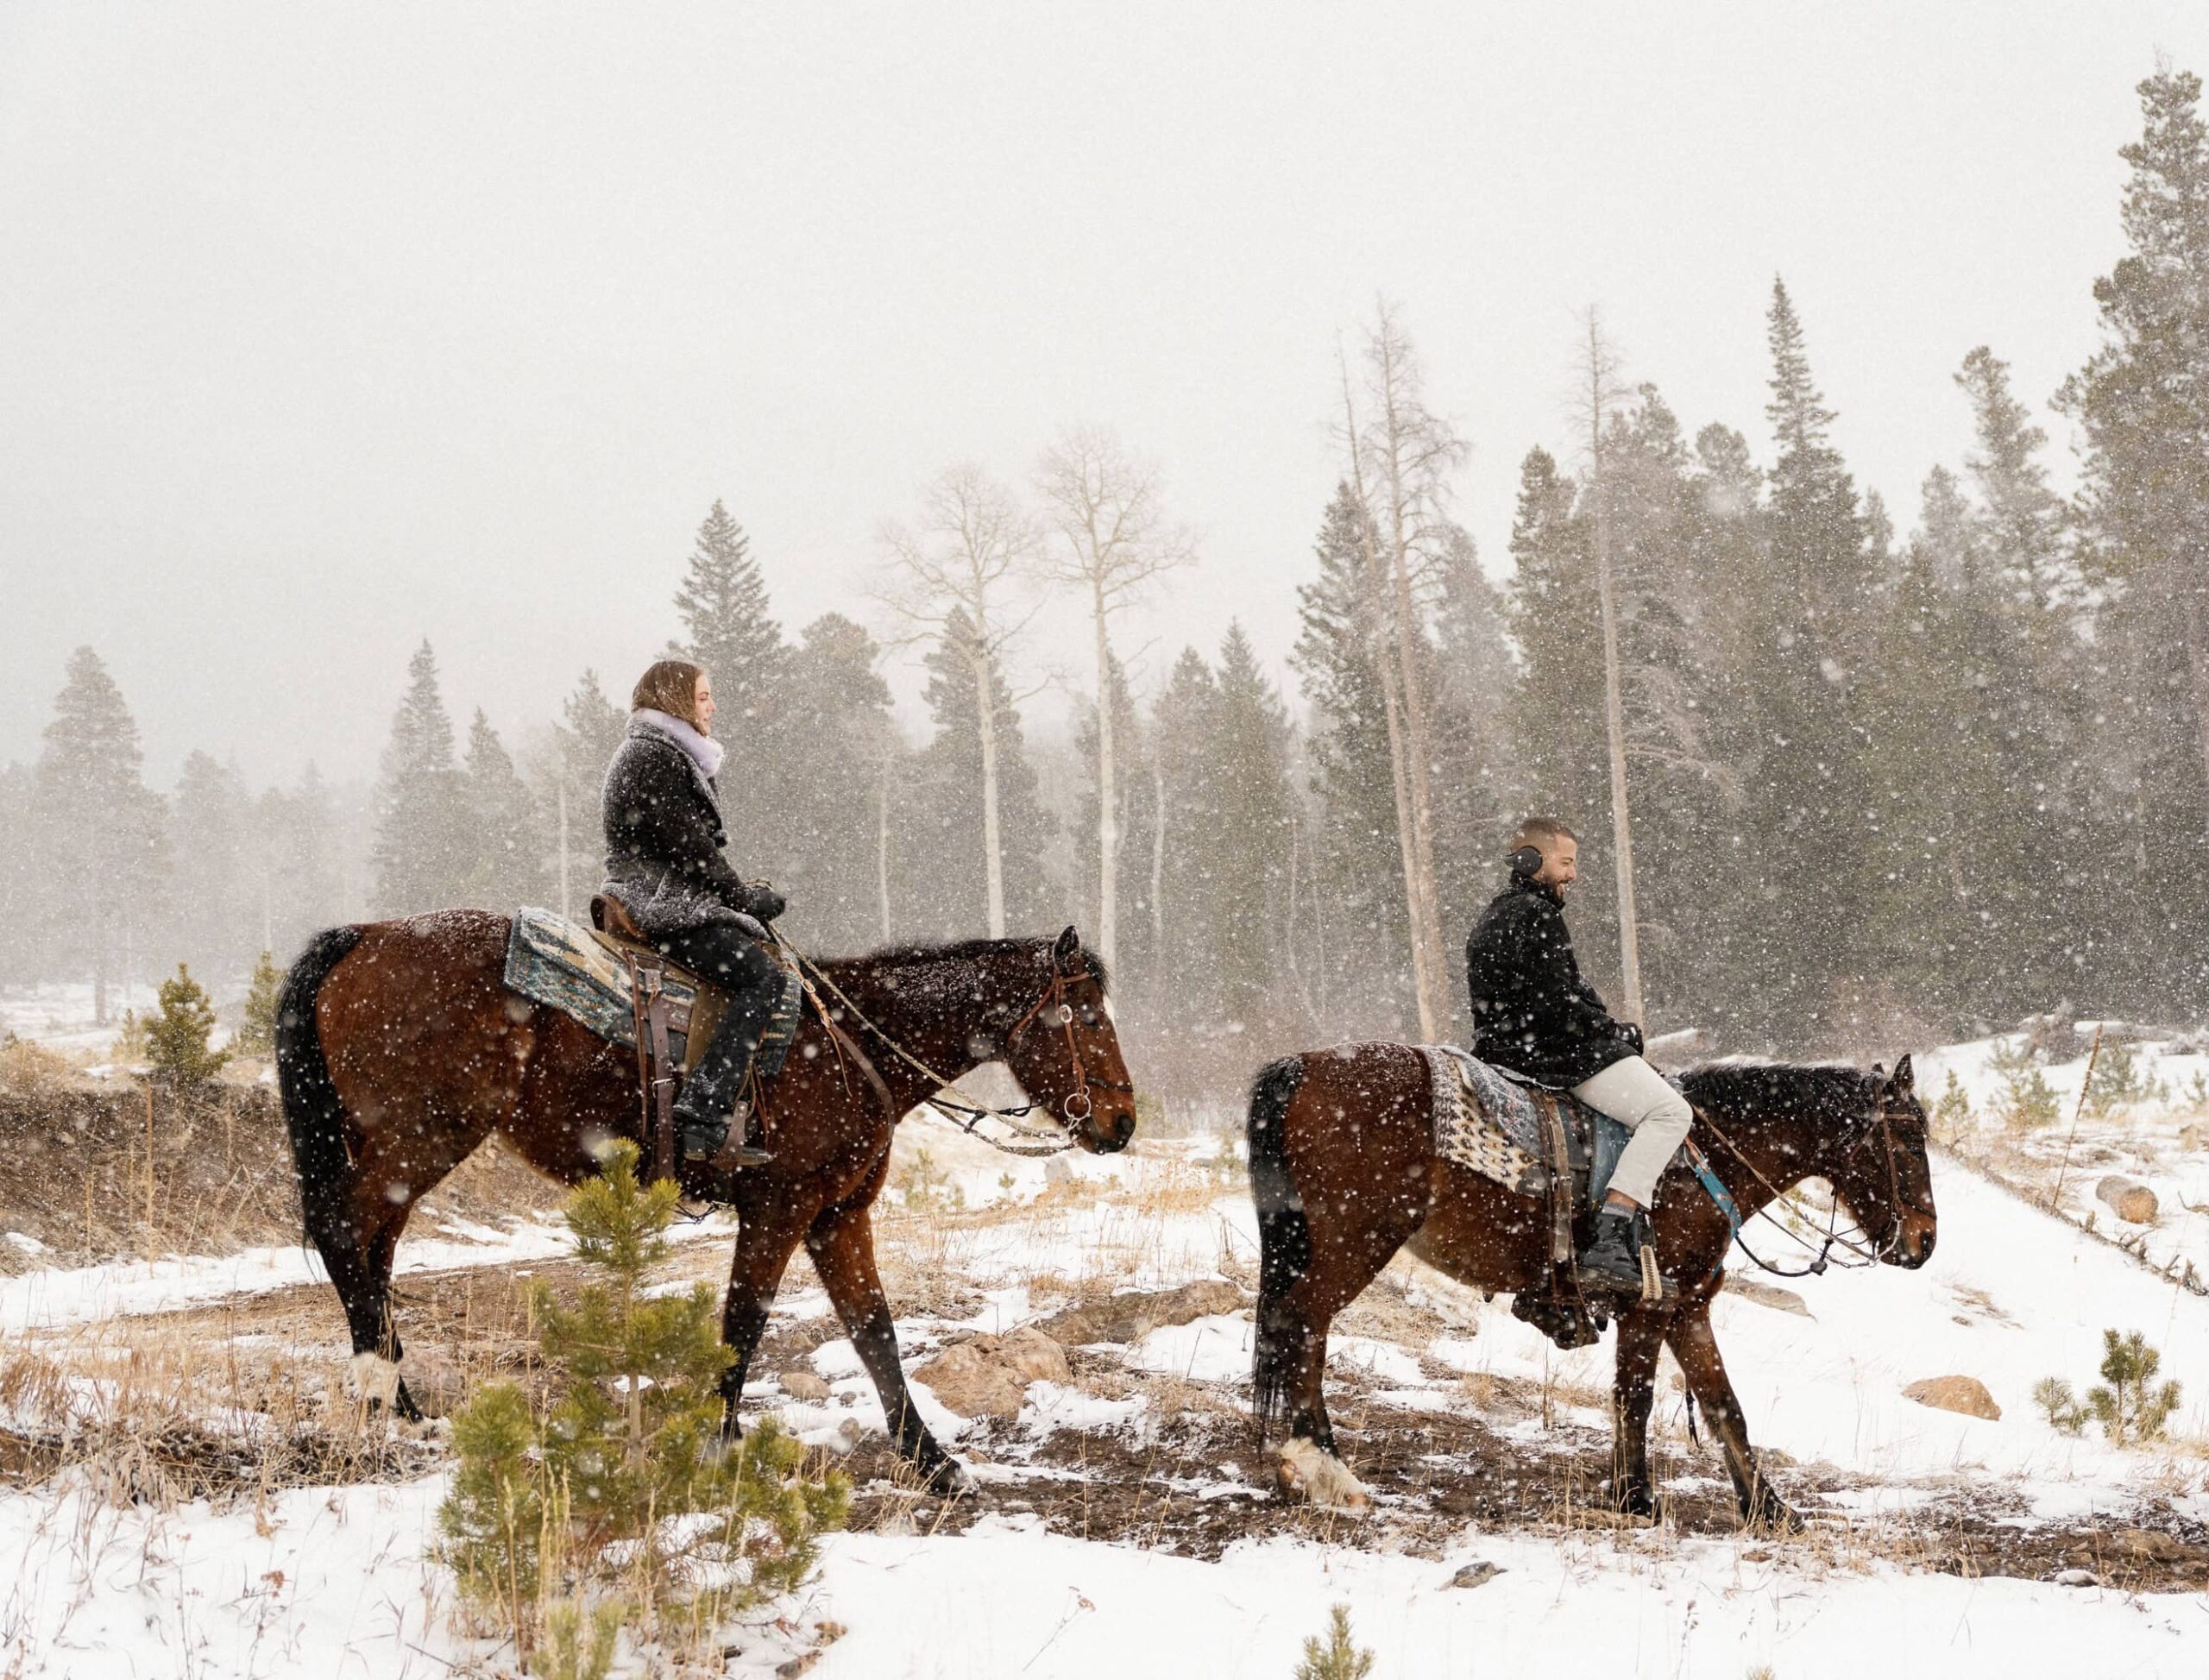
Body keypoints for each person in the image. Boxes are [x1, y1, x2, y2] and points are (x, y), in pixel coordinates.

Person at [1463, 816, 1691, 1295]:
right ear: (1531, 860)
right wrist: (1616, 1034)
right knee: (1671, 1111)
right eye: (1565, 862)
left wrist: (1605, 1027)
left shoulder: (1494, 913)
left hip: (1510, 1052)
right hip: (1553, 1057)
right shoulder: (1536, 915)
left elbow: (1552, 996)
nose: (1572, 874)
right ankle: (1609, 1237)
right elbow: (1561, 1003)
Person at [601, 658, 786, 1168]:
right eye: (704, 696)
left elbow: (688, 848)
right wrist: (742, 899)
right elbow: (691, 849)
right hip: (660, 903)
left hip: (665, 893)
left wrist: (736, 891)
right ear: (677, 700)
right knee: (760, 977)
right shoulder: (653, 757)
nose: (713, 706)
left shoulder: (658, 752)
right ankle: (703, 1110)